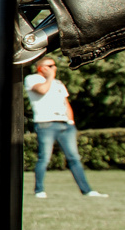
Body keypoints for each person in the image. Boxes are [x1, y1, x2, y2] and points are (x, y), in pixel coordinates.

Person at [23, 55, 105, 199]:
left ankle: (87, 190)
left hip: (65, 124)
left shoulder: (58, 83)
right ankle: (39, 190)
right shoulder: (32, 79)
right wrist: (49, 78)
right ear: (40, 68)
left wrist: (71, 122)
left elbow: (65, 103)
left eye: (54, 65)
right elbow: (42, 90)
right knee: (44, 158)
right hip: (46, 123)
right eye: (50, 66)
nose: (53, 68)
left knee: (74, 158)